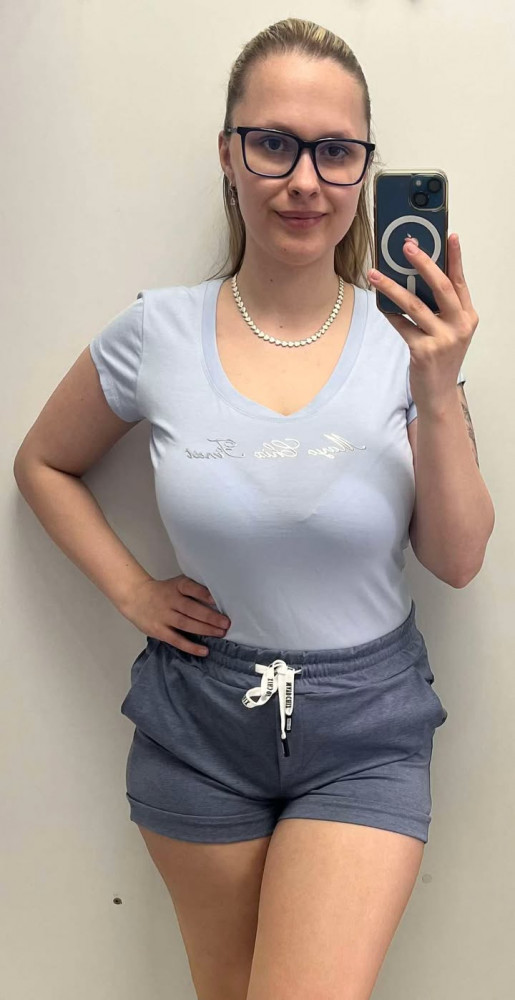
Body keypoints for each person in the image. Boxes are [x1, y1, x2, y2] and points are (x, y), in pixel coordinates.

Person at [13, 17, 494, 1000]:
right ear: (227, 155)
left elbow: (456, 559)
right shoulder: (155, 331)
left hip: (364, 730)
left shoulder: (408, 343)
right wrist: (134, 592)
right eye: (273, 142)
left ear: (365, 169)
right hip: (199, 725)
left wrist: (437, 386)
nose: (304, 180)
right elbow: (43, 463)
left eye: (335, 151)